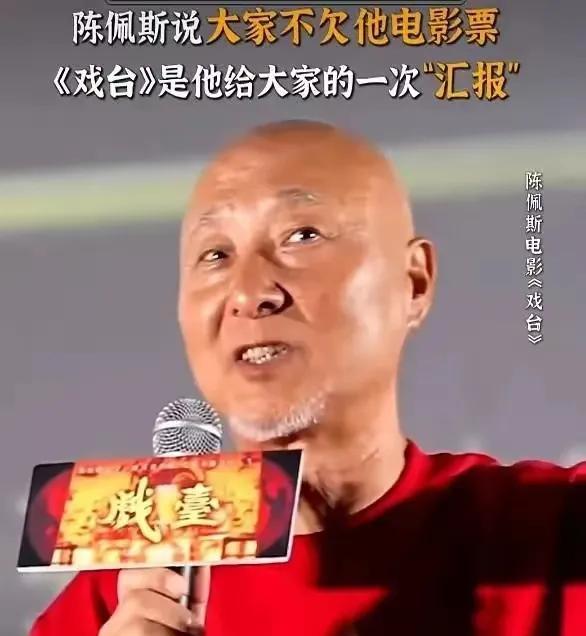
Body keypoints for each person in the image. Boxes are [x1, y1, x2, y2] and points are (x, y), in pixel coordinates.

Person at [30, 121, 586, 636]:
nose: (249, 292)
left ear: (413, 284)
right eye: (216, 254)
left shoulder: (551, 531)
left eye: (302, 236)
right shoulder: (120, 599)